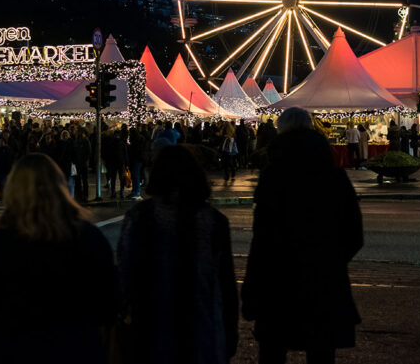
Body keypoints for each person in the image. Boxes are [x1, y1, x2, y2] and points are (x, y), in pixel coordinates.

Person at [0, 153, 118, 364]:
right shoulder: (88, 237)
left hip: (11, 348)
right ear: (60, 186)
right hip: (76, 348)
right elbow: (108, 306)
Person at [241, 107, 363, 364]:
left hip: (277, 283)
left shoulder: (272, 176)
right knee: (321, 351)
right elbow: (354, 234)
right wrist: (330, 259)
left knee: (272, 351)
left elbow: (261, 238)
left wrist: (252, 291)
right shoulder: (334, 176)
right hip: (324, 282)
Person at [117, 144, 238, 364]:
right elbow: (226, 284)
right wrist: (230, 332)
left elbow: (125, 276)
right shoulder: (214, 221)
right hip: (203, 329)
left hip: (150, 328)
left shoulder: (140, 217)